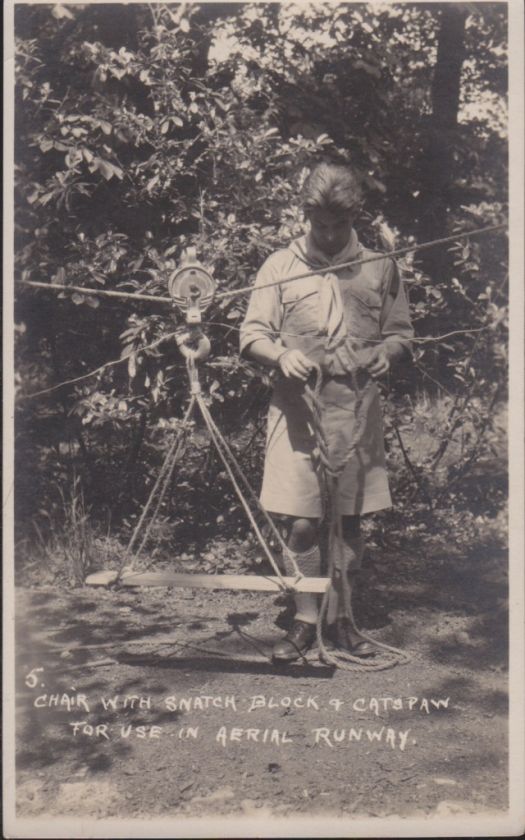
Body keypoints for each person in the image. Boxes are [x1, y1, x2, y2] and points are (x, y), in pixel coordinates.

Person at [240, 161, 413, 663]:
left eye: (340, 224)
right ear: (306, 216)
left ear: (355, 215)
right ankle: (304, 620)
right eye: (321, 225)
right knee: (302, 524)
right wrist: (281, 354)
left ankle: (343, 619)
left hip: (356, 413)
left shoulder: (381, 266)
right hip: (298, 414)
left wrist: (390, 352)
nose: (332, 234)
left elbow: (401, 332)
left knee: (351, 523)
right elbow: (252, 334)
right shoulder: (280, 266)